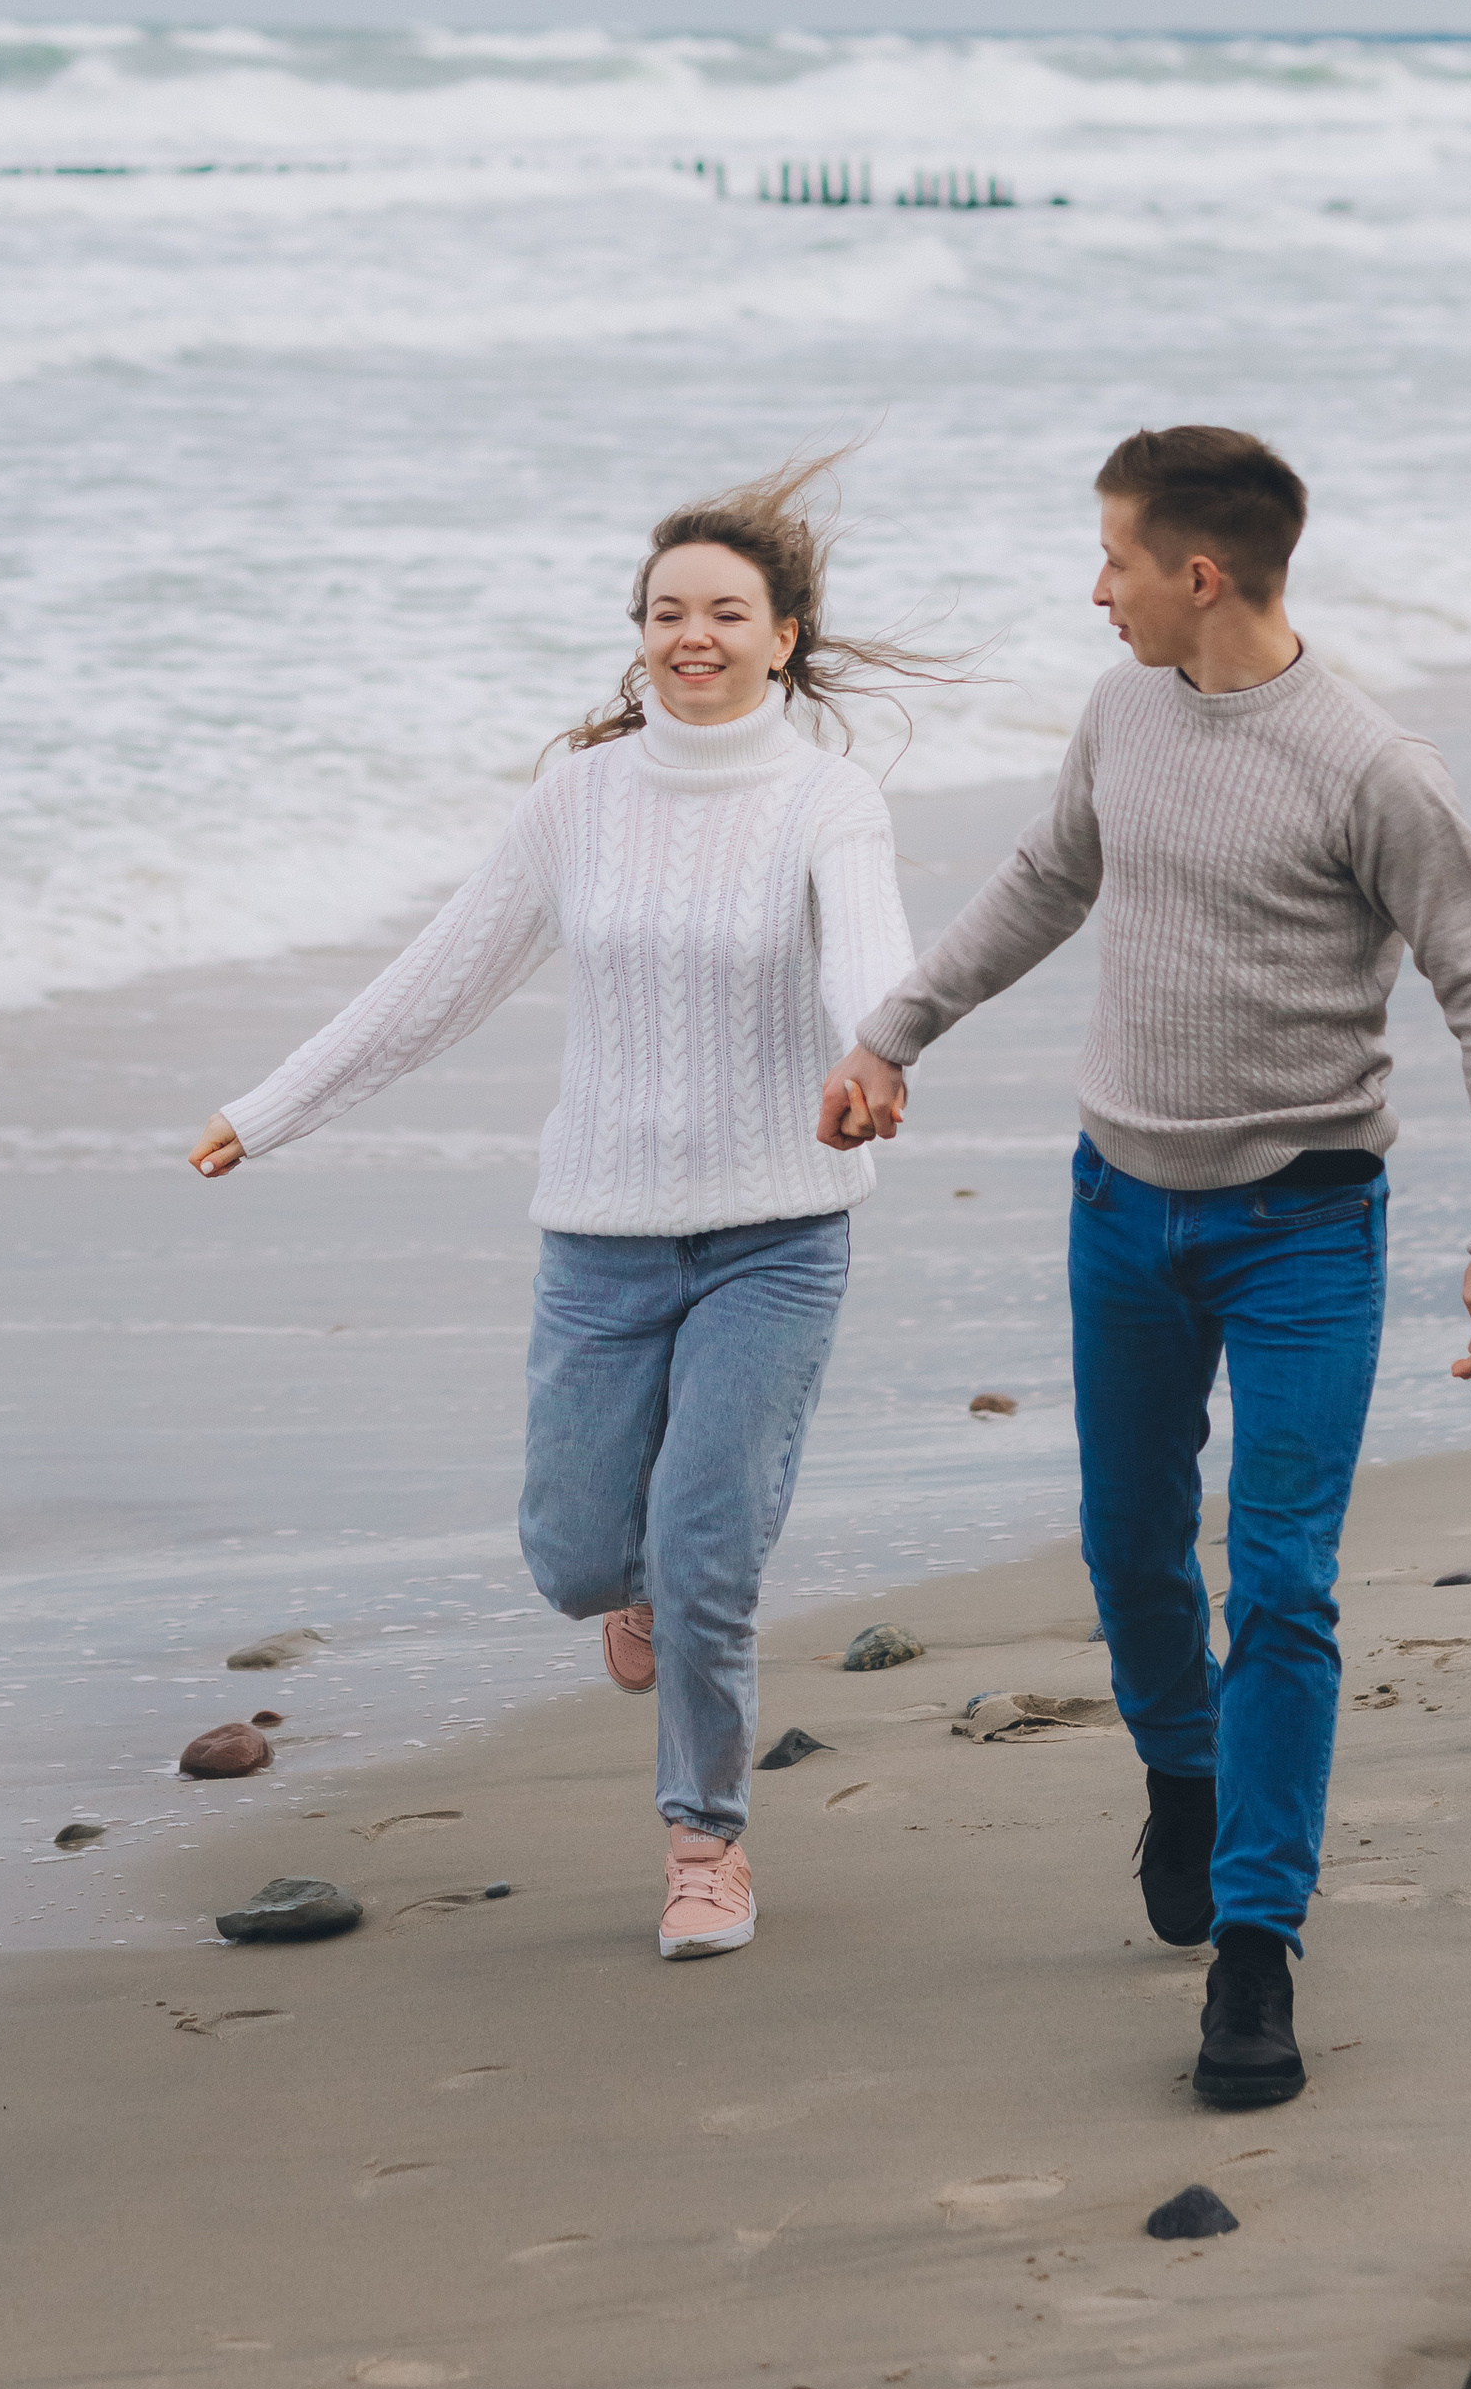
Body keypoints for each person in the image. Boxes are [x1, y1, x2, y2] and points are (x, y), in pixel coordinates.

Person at [820, 426, 1471, 2108]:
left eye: (1115, 561)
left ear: (1197, 574)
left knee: (1279, 1580)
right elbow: (1046, 879)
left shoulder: (1372, 769)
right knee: (1131, 1543)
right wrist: (892, 1033)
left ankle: (1255, 1949)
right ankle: (1181, 1771)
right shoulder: (1122, 712)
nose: (1098, 590)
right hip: (1117, 1208)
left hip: (1302, 1224)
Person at [189, 463, 939, 1964]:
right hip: (600, 1236)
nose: (695, 637)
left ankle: (705, 1843)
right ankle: (635, 1593)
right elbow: (439, 981)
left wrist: (878, 1053)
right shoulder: (579, 800)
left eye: (728, 612)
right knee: (580, 1553)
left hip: (778, 1233)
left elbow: (872, 950)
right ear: (639, 632)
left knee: (709, 1549)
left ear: (785, 635)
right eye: (669, 612)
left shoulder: (826, 799)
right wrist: (267, 1110)